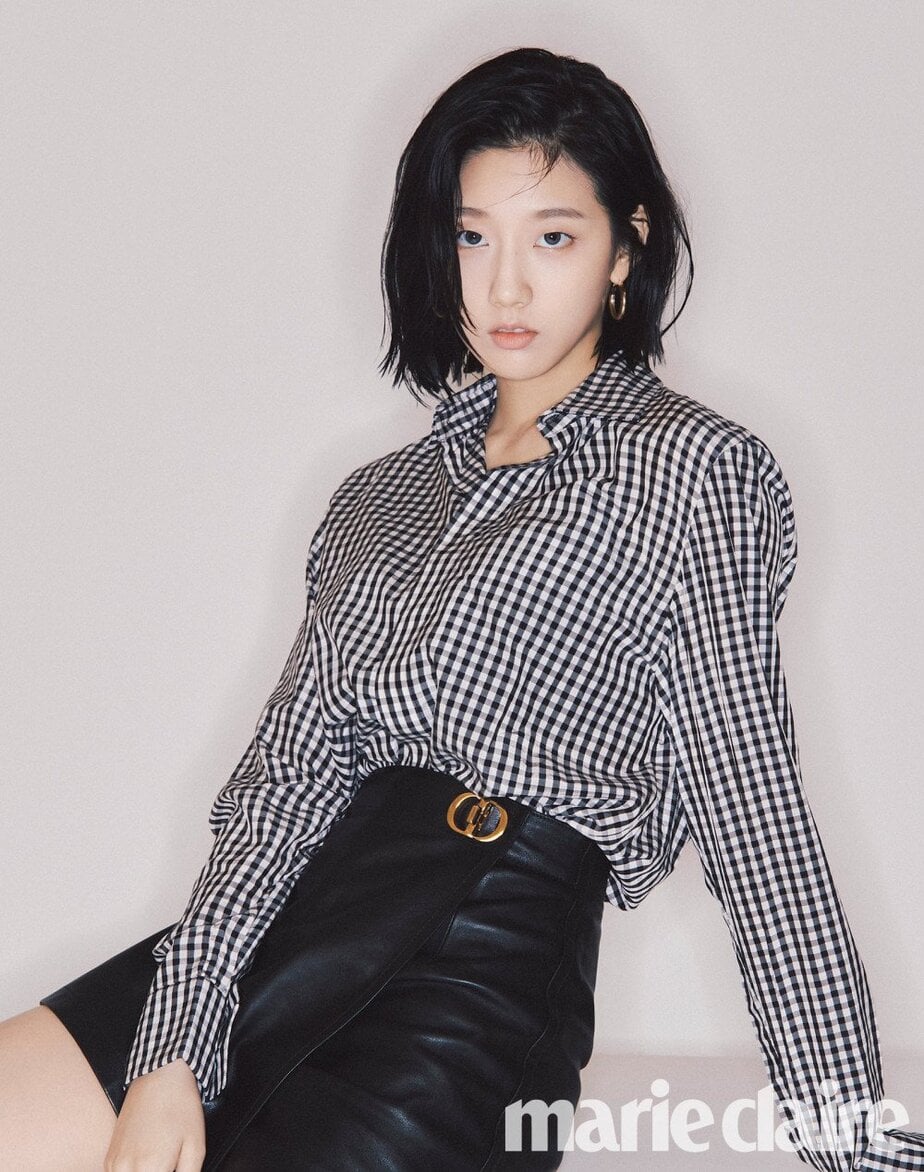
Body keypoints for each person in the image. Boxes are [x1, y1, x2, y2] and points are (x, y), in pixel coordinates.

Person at [0, 45, 921, 1172]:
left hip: (469, 984)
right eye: (472, 236)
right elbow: (286, 787)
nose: (506, 286)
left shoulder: (697, 472)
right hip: (287, 928)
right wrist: (176, 1041)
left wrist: (851, 1142)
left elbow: (755, 818)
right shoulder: (376, 496)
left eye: (553, 237)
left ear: (627, 246)